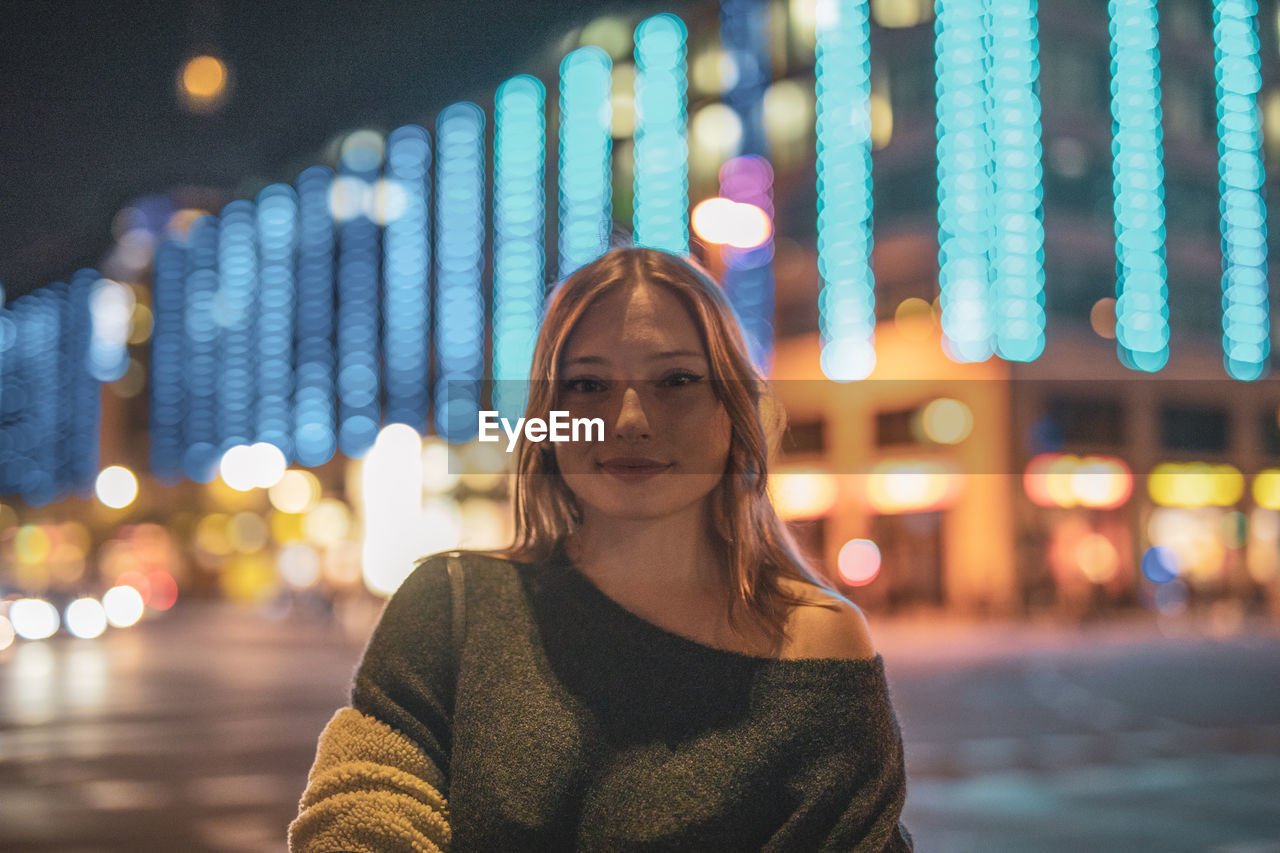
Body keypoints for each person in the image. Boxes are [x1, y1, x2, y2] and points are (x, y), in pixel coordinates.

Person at [288, 247, 914, 852]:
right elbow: (363, 808)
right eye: (587, 384)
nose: (630, 419)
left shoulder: (820, 648)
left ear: (735, 412)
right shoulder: (450, 608)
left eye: (676, 380)